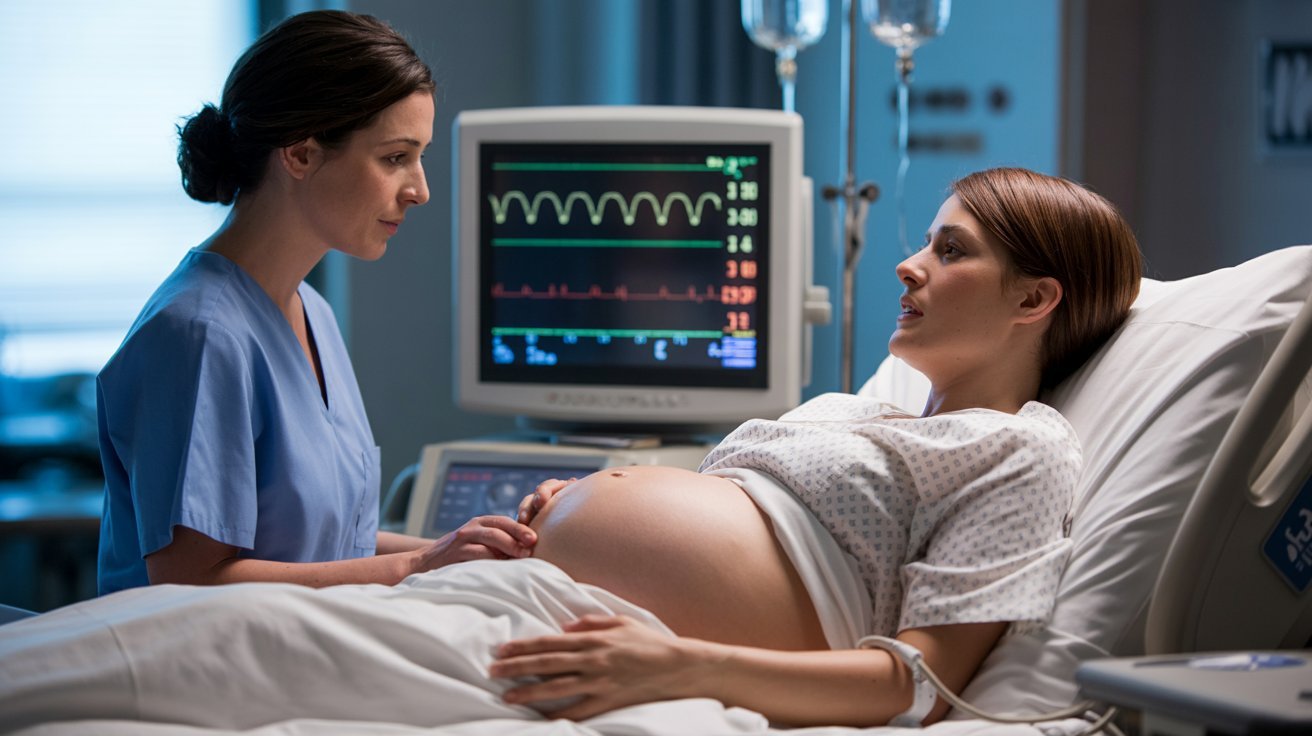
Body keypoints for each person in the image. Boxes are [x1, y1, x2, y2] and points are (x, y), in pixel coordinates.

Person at [491, 167, 1143, 727]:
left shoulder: (1019, 445)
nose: (908, 265)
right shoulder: (852, 413)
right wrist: (570, 506)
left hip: (615, 644)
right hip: (537, 588)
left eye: (950, 251)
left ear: (1033, 298)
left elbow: (920, 685)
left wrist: (679, 667)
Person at [95, 10, 537, 595]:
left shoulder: (311, 314)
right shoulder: (200, 334)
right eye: (394, 157)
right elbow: (190, 582)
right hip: (199, 670)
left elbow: (330, 550)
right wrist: (415, 566)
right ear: (299, 154)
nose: (420, 190)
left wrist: (479, 548)